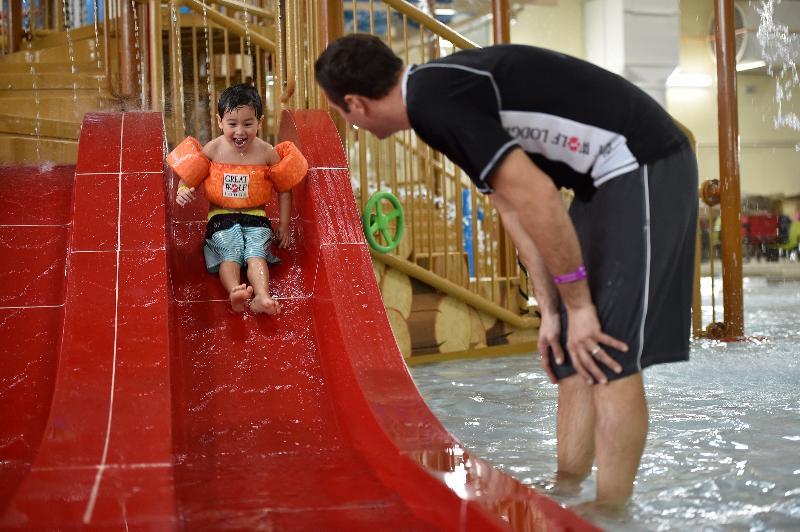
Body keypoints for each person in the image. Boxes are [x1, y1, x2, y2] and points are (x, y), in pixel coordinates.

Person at [315, 35, 698, 511]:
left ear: (354, 103)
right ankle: (568, 493)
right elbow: (515, 210)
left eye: (342, 114)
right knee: (571, 349)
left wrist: (579, 306)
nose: (348, 124)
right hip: (598, 180)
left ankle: (611, 514)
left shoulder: (438, 101)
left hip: (642, 159)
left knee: (607, 349)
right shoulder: (434, 104)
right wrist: (554, 312)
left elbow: (538, 195)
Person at [167, 83, 308, 315]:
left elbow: (285, 188)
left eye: (248, 124)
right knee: (229, 250)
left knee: (256, 253)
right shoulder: (214, 149)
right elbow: (191, 177)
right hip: (221, 217)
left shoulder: (265, 152)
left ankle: (262, 296)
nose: (240, 132)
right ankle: (235, 291)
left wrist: (284, 225)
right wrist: (183, 190)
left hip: (256, 218)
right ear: (220, 121)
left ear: (260, 122)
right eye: (232, 124)